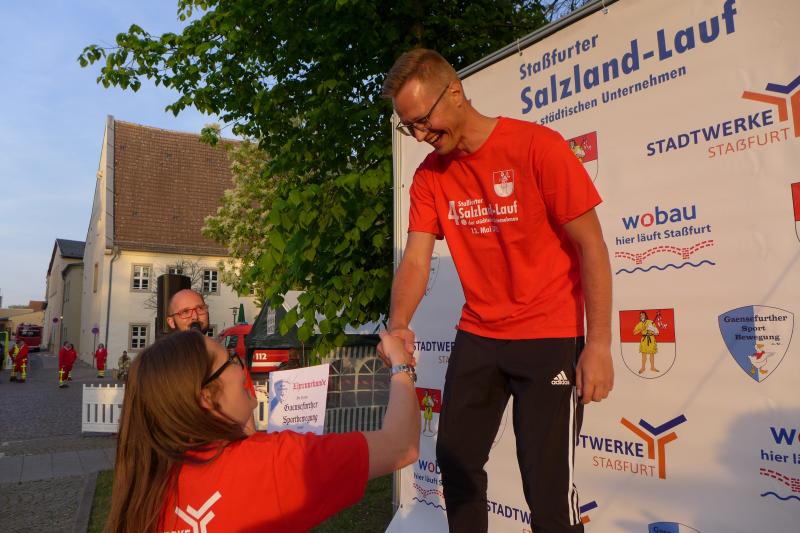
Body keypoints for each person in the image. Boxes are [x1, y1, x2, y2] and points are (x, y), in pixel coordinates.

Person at [379, 49, 614, 533]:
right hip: (480, 334)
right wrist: (399, 324)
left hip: (550, 335)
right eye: (409, 127)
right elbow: (417, 260)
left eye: (423, 121)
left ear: (455, 93)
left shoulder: (537, 147)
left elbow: (592, 246)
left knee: (547, 493)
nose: (419, 136)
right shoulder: (429, 176)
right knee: (456, 460)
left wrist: (599, 344)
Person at [105, 330, 418, 532]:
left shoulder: (145, 486)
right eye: (231, 360)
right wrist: (401, 364)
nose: (242, 368)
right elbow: (400, 444)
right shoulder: (274, 464)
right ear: (206, 397)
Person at [167, 289, 258, 430]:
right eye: (185, 312)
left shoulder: (231, 360)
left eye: (200, 309)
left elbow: (248, 425)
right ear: (171, 322)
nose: (195, 317)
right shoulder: (163, 366)